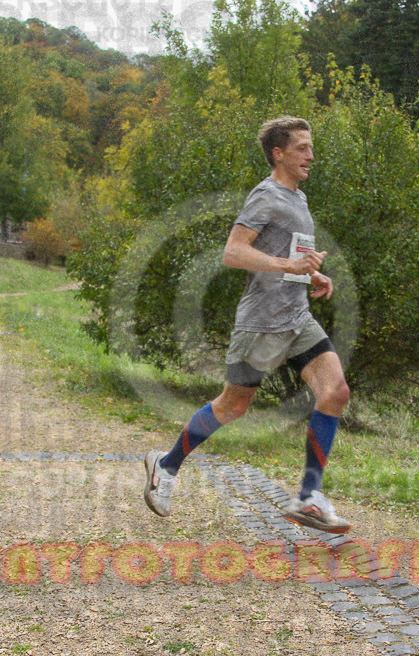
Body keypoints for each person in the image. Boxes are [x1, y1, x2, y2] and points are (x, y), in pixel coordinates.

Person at [143, 115, 352, 533]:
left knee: (336, 391)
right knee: (233, 406)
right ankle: (165, 467)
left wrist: (311, 274)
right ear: (279, 154)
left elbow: (290, 254)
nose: (311, 155)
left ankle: (309, 496)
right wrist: (289, 264)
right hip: (260, 323)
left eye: (311, 147)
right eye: (301, 149)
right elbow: (233, 253)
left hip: (297, 319)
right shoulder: (265, 196)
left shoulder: (299, 199)